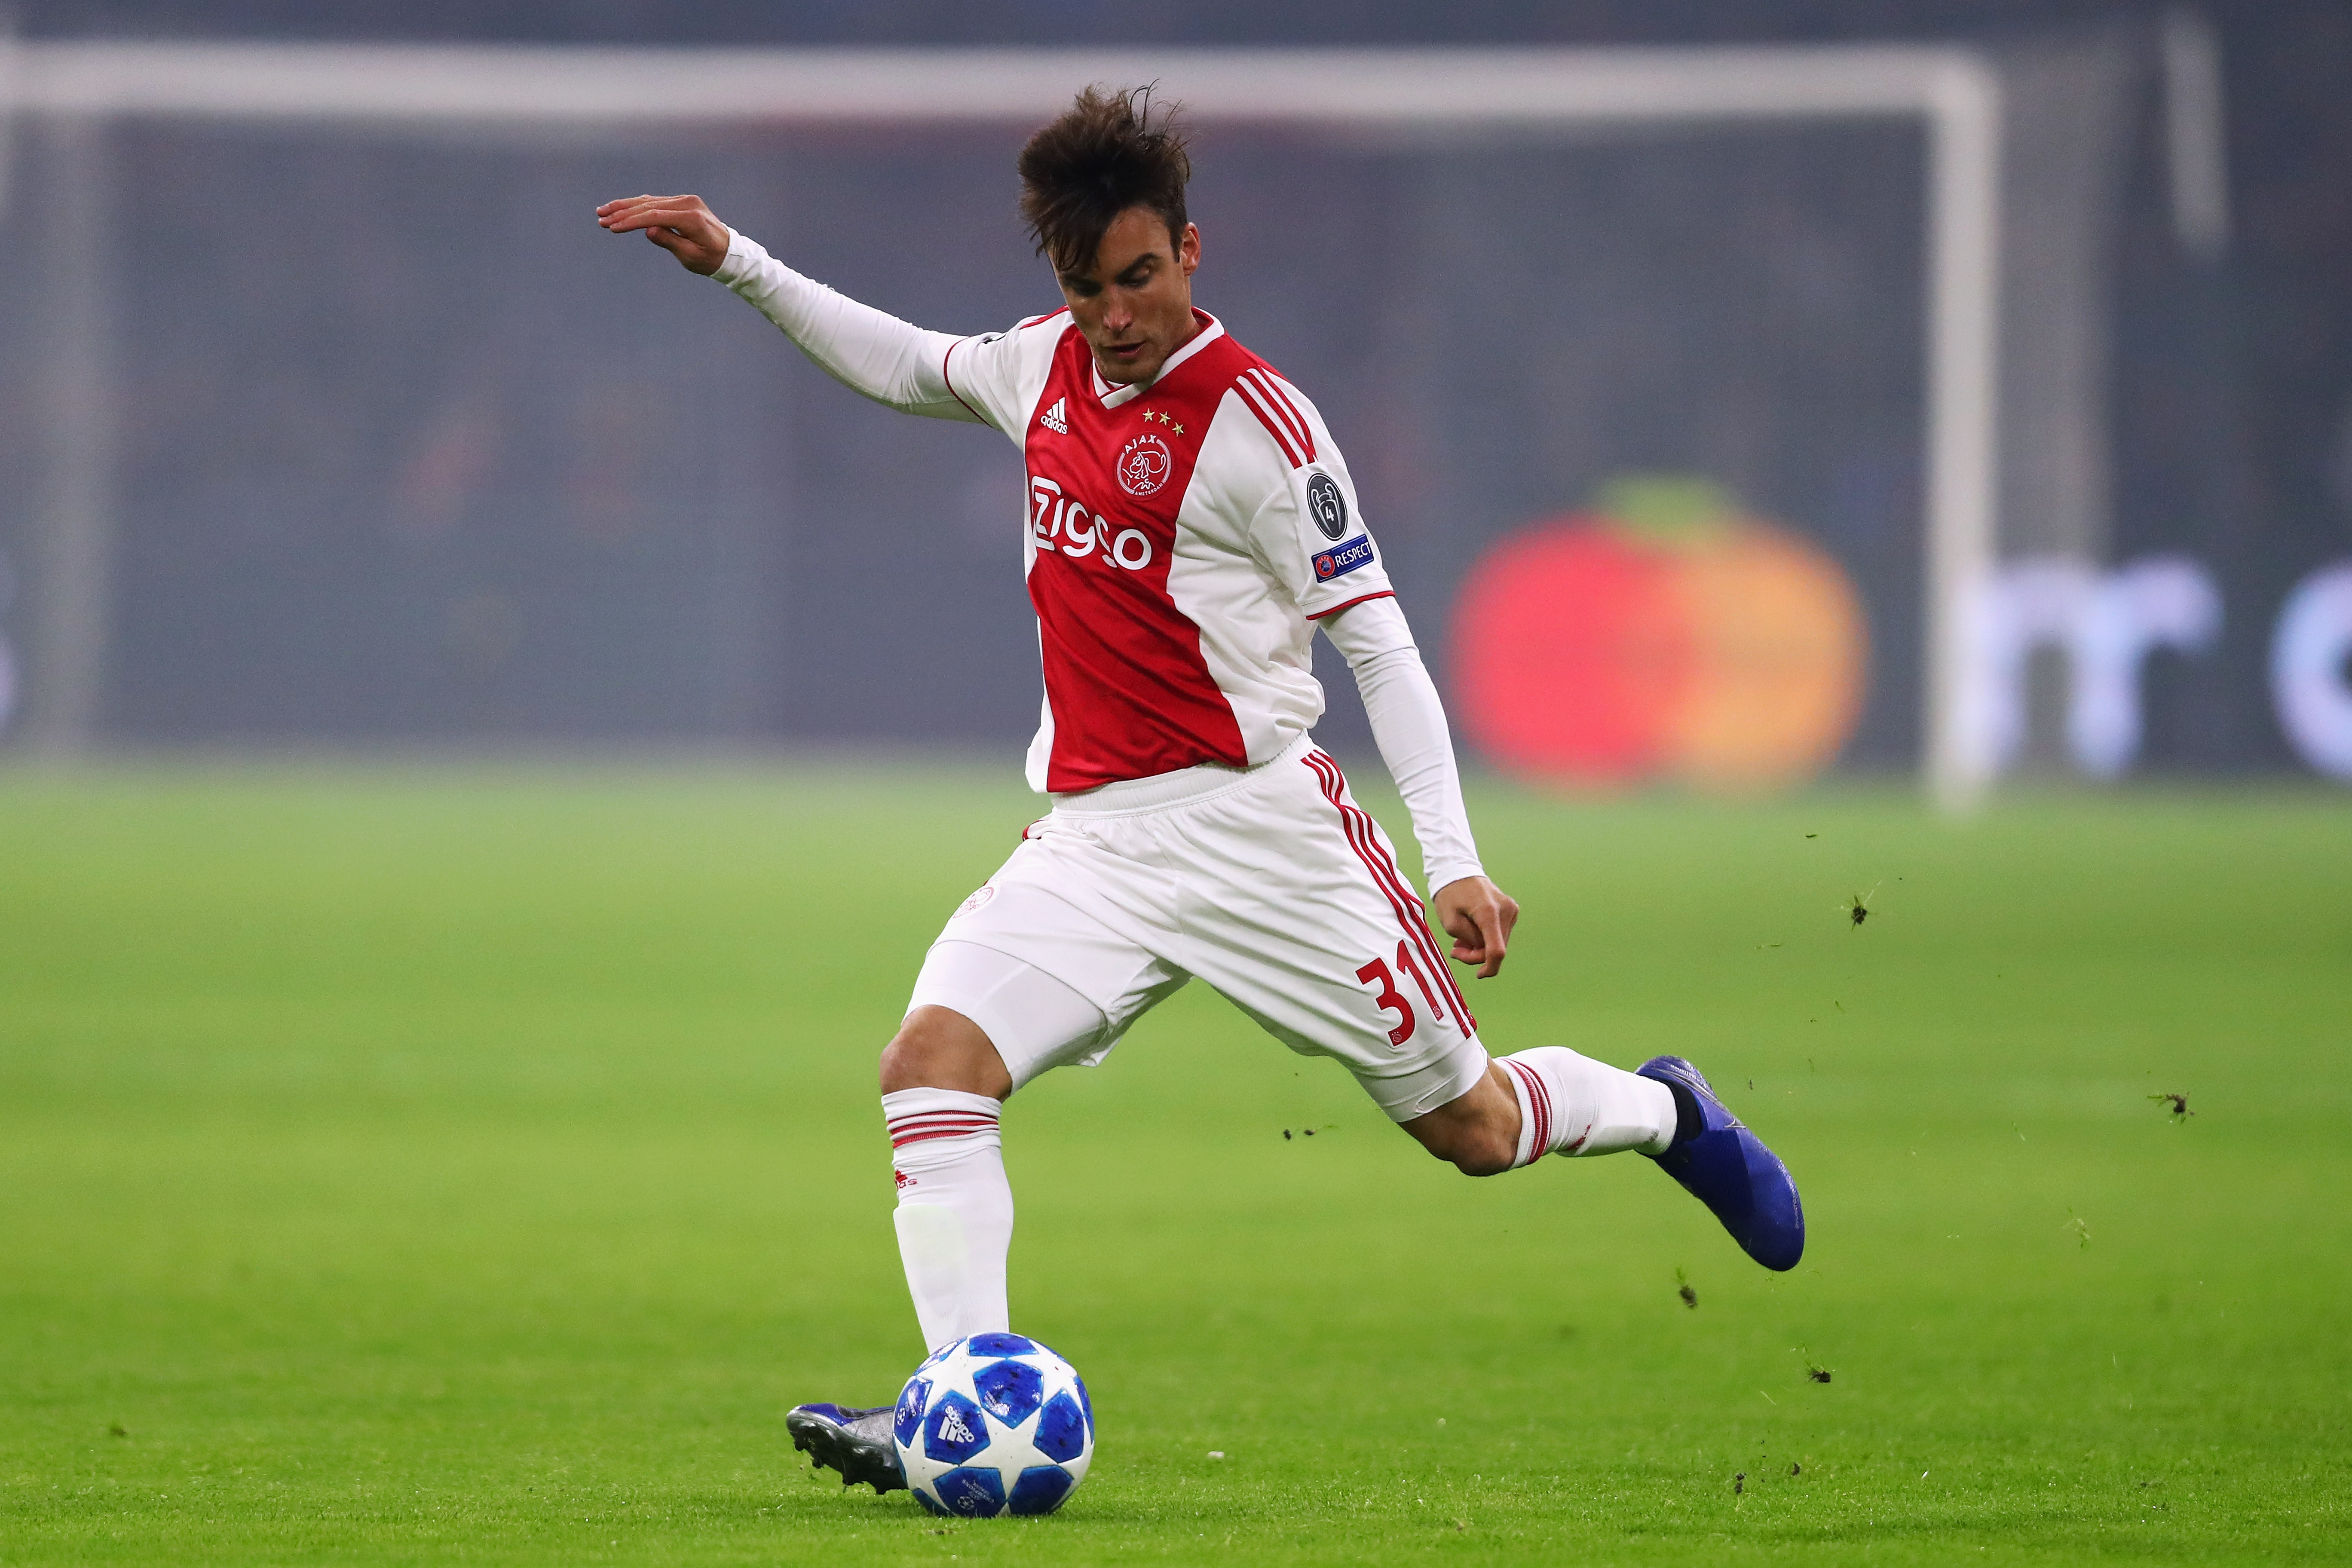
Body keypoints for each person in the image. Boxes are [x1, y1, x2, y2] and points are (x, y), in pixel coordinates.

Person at [597, 85, 1802, 1496]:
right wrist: (737, 261)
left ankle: (1670, 1112)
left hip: (1265, 839)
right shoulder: (1039, 364)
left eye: (1140, 278)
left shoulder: (1265, 432)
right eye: (1087, 286)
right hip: (1096, 847)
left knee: (1471, 1130)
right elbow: (909, 364)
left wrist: (1453, 856)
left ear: (1188, 250)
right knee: (931, 1071)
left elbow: (1383, 646)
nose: (1115, 314)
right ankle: (955, 1401)